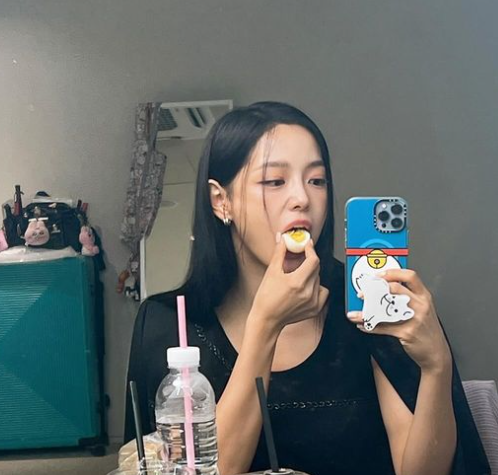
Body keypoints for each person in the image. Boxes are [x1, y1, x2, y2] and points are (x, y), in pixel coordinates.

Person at [125, 102, 490, 475]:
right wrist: (265, 326)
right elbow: (210, 469)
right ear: (222, 201)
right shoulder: (170, 323)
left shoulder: (366, 299)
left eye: (316, 180)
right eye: (275, 181)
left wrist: (437, 366)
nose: (302, 198)